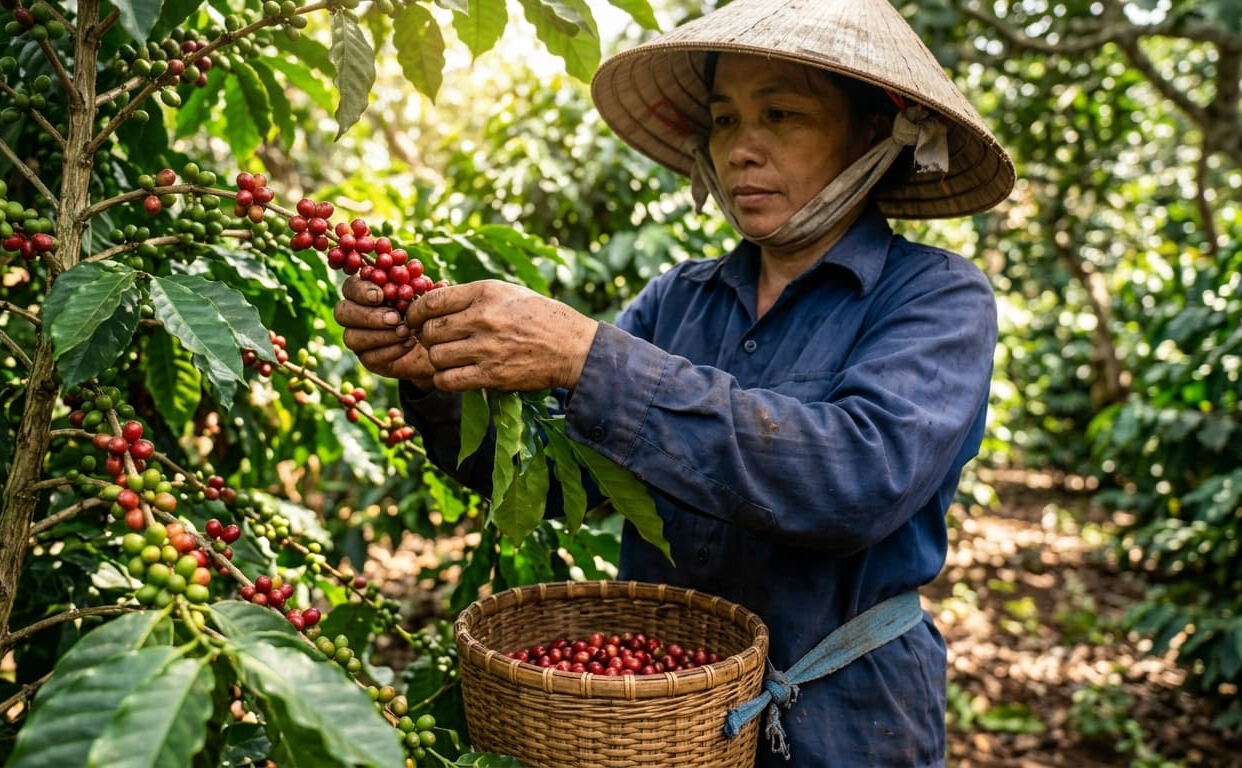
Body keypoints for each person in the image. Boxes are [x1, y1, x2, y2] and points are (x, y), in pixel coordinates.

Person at [335, 0, 1015, 764]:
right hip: (664, 718)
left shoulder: (936, 298)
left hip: (848, 720)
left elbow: (855, 480)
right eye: (724, 121)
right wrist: (439, 380)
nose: (742, 150)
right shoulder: (678, 300)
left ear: (871, 136)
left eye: (782, 114)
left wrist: (588, 356)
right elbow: (562, 482)